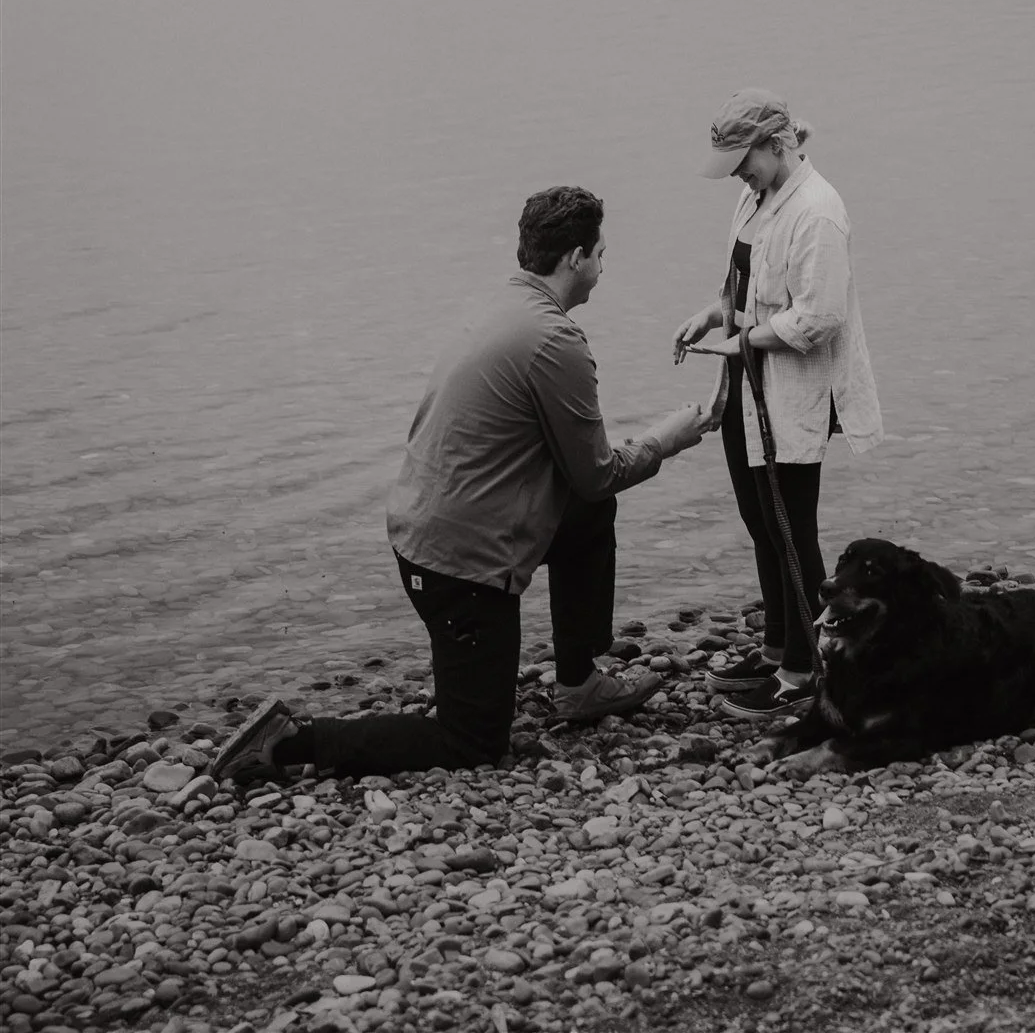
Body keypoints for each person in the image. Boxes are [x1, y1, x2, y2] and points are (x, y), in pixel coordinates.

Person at [213, 186, 711, 783]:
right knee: (473, 740)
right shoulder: (556, 340)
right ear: (575, 258)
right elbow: (598, 472)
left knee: (584, 515)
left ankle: (580, 687)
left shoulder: (507, 306)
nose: (605, 268)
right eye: (602, 254)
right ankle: (289, 743)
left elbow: (578, 483)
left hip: (429, 528)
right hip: (459, 568)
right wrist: (667, 439)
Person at [672, 89, 883, 720]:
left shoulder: (818, 212)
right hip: (745, 385)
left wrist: (746, 339)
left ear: (777, 143)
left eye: (745, 160)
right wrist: (712, 316)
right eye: (733, 164)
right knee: (760, 520)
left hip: (789, 392)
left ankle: (803, 671)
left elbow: (818, 318)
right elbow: (740, 284)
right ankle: (776, 645)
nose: (738, 174)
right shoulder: (755, 197)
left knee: (793, 530)